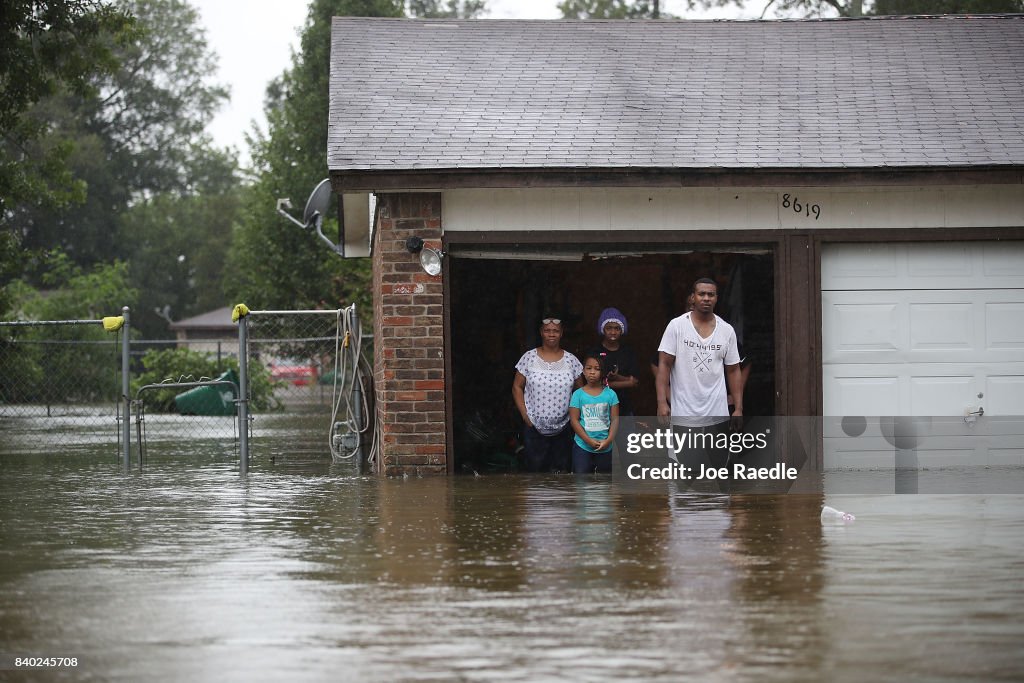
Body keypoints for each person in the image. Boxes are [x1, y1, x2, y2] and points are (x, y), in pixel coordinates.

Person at [656, 278, 744, 442]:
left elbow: (733, 370)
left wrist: (738, 408)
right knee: (684, 464)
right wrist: (662, 402)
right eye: (701, 294)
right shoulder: (676, 326)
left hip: (717, 412)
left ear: (716, 298)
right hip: (684, 411)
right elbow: (664, 364)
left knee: (714, 465)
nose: (706, 298)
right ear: (692, 297)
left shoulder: (727, 330)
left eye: (711, 294)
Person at [512, 316, 583, 472]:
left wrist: (574, 418)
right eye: (547, 331)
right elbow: (517, 386)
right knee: (535, 477)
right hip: (534, 429)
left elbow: (581, 391)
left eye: (556, 331)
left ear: (561, 333)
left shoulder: (572, 361)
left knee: (561, 476)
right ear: (541, 333)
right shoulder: (529, 358)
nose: (551, 334)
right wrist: (525, 416)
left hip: (564, 429)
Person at [569, 353, 620, 474]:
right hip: (582, 445)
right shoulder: (578, 394)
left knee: (605, 483)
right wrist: (588, 440)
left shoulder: (611, 394)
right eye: (589, 368)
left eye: (597, 369)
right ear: (583, 370)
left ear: (603, 372)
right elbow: (574, 420)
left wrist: (608, 441)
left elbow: (615, 420)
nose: (592, 372)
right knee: (581, 480)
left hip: (606, 446)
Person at [586, 307, 639, 417]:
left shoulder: (628, 352)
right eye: (609, 328)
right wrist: (627, 382)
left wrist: (618, 377)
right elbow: (595, 384)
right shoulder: (595, 352)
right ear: (602, 329)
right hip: (599, 409)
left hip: (624, 409)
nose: (613, 332)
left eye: (617, 328)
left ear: (622, 330)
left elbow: (635, 381)